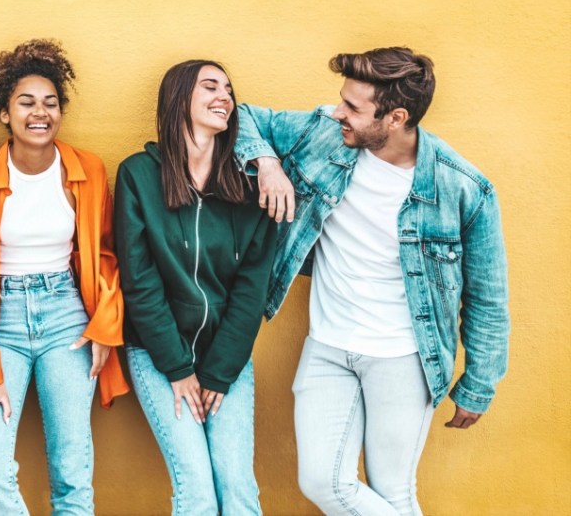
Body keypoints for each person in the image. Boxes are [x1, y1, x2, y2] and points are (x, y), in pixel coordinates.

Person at [235, 47, 510, 515]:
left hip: (404, 359)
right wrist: (268, 164)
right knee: (324, 482)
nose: (337, 112)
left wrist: (479, 383)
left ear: (396, 117)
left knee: (394, 492)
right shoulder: (325, 133)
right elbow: (244, 118)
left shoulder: (463, 187)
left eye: (353, 108)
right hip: (328, 347)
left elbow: (487, 295)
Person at [0, 39, 129, 516]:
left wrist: (104, 326)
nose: (40, 113)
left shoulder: (86, 169)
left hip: (67, 318)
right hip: (0, 324)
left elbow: (106, 254)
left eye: (51, 103)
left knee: (73, 472)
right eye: (26, 102)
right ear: (5, 113)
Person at [114, 60, 277, 515]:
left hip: (226, 358)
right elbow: (139, 282)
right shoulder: (139, 176)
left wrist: (218, 371)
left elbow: (251, 290)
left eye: (228, 88)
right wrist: (178, 368)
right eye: (210, 86)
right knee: (197, 490)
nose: (224, 95)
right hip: (160, 356)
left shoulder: (250, 188)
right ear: (178, 98)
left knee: (237, 485)